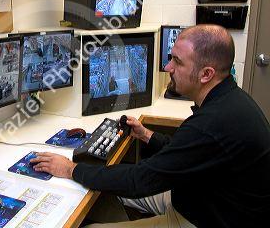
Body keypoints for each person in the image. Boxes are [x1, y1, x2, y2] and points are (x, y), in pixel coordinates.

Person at [31, 24, 270, 227]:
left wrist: (70, 169)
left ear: (206, 74)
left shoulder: (211, 123)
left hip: (202, 218)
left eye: (177, 61)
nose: (168, 68)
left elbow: (139, 181)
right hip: (203, 196)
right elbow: (189, 152)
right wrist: (148, 135)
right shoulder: (230, 100)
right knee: (105, 193)